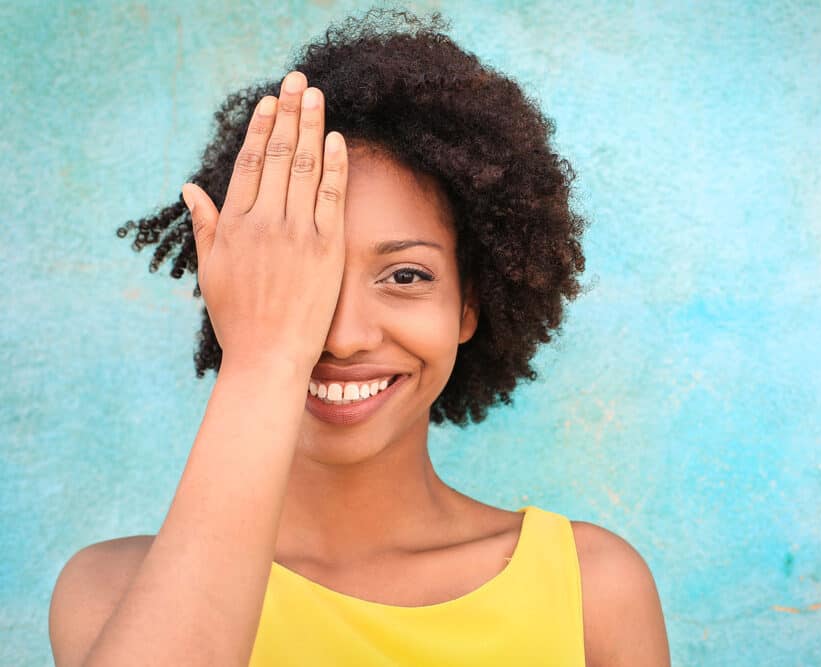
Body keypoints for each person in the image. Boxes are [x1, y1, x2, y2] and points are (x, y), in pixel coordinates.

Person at [48, 9, 670, 666]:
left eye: (406, 274)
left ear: (469, 304)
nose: (342, 337)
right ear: (239, 288)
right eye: (297, 276)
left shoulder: (594, 591)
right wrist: (263, 360)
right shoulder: (109, 592)